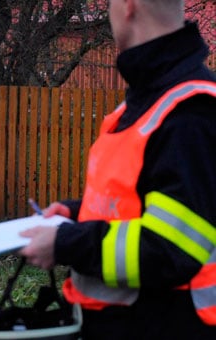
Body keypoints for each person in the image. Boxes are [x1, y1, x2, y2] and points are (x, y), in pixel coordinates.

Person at [18, 0, 216, 338]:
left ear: (128, 6)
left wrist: (67, 243)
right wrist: (75, 213)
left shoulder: (190, 113)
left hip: (166, 325)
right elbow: (133, 202)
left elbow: (171, 249)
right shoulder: (149, 99)